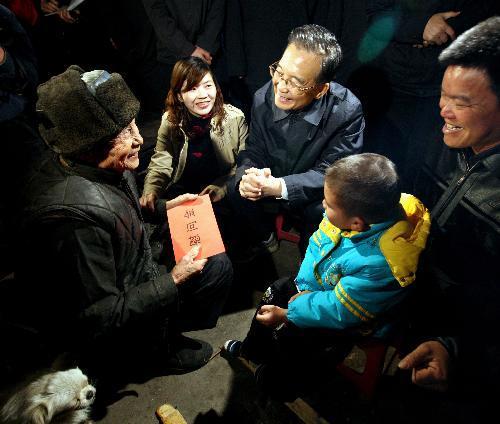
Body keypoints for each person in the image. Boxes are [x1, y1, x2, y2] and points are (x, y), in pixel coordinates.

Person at [10, 65, 232, 375]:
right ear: (89, 144)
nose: (140, 138)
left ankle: (161, 333)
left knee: (214, 258)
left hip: (129, 265)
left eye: (133, 125)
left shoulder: (88, 160)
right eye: (124, 132)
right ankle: (149, 352)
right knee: (210, 272)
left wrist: (165, 207)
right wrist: (173, 280)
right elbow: (100, 316)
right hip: (113, 310)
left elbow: (119, 210)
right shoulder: (73, 225)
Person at [224, 153, 430, 401]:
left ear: (356, 223)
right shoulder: (355, 215)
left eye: (329, 205)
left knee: (299, 345)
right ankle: (253, 350)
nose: (323, 206)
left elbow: (341, 310)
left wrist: (289, 313)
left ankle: (277, 383)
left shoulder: (382, 263)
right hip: (314, 287)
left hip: (343, 318)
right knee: (274, 292)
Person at [396, 16, 500, 419]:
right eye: (443, 95)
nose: (445, 110)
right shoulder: (435, 134)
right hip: (409, 308)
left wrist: (456, 352)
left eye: (463, 102)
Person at [228, 24, 364, 256]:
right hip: (269, 182)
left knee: (324, 214)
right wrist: (249, 175)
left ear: (320, 90)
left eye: (296, 82)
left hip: (312, 194)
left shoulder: (347, 112)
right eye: (279, 72)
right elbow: (255, 147)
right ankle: (265, 236)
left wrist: (280, 187)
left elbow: (333, 173)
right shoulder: (263, 97)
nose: (281, 87)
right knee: (235, 188)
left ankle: (308, 265)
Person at [140, 56, 248, 213]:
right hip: (184, 191)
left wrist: (222, 187)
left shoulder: (235, 118)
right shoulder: (171, 121)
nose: (203, 95)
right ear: (179, 96)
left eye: (208, 86)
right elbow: (162, 160)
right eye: (192, 88)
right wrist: (151, 190)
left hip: (221, 190)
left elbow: (244, 164)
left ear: (216, 88)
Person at [141, 0, 225, 113]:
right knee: (177, 114)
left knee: (216, 112)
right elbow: (159, 17)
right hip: (172, 56)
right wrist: (189, 50)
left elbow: (217, 10)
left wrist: (205, 45)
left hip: (209, 54)